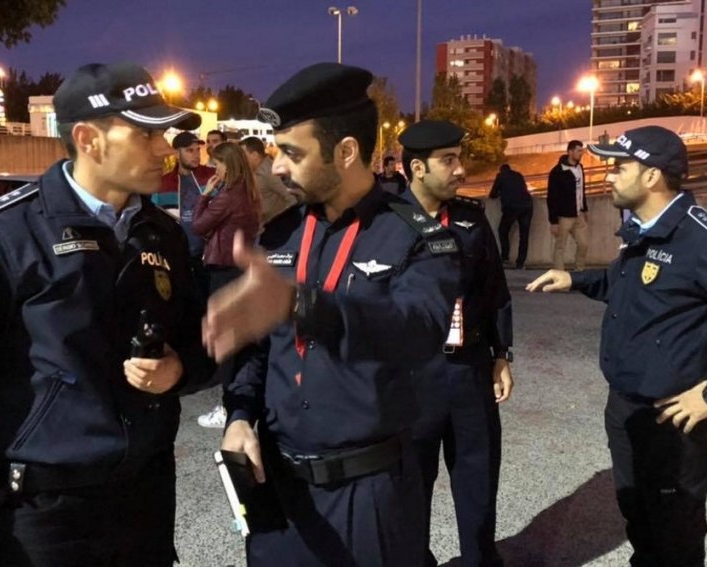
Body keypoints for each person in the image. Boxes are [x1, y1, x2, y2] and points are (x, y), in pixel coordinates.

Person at [0, 62, 215, 566]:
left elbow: (198, 338)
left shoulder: (161, 233)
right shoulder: (5, 234)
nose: (165, 148)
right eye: (145, 134)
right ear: (89, 139)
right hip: (44, 515)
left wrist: (182, 369)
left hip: (145, 503)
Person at [202, 62, 461, 565]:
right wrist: (238, 416)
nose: (276, 166)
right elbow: (259, 350)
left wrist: (304, 305)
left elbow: (416, 330)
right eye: (276, 150)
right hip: (278, 493)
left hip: (369, 497)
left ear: (346, 152)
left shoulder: (417, 238)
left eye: (292, 153)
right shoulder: (281, 235)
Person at [526, 126, 707, 567]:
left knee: (674, 535)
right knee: (640, 518)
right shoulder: (644, 228)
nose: (610, 176)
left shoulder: (703, 240)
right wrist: (576, 279)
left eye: (619, 166)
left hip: (669, 419)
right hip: (626, 406)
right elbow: (628, 284)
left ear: (652, 176)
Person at [399, 120, 514, 567]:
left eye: (458, 158)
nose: (460, 169)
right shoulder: (386, 223)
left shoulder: (470, 219)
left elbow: (495, 292)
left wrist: (502, 355)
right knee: (409, 488)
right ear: (417, 168)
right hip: (411, 380)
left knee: (478, 483)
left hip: (468, 371)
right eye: (448, 160)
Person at [192, 141, 262, 429]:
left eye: (217, 162)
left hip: (223, 270)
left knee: (226, 341)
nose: (214, 168)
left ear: (228, 164)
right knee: (238, 340)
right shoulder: (250, 192)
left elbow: (198, 226)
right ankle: (238, 403)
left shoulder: (228, 196)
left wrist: (204, 196)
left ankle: (227, 405)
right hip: (240, 268)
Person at [158, 131, 215, 296]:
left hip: (206, 257)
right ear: (177, 153)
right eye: (190, 150)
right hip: (176, 258)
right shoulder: (163, 183)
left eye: (198, 150)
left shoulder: (211, 176)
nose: (196, 155)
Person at [547, 140, 588, 271]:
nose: (581, 153)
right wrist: (553, 221)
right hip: (563, 217)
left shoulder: (580, 168)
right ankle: (559, 275)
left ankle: (579, 272)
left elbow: (582, 189)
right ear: (570, 152)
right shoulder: (557, 172)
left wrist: (585, 208)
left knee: (583, 244)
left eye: (581, 150)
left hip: (579, 215)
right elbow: (551, 197)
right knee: (560, 247)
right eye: (578, 150)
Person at [240, 135, 298, 225]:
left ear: (255, 155)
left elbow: (291, 199)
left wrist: (281, 222)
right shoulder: (254, 171)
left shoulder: (269, 173)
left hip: (272, 227)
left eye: (242, 155)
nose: (240, 159)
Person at [489, 163, 533, 268]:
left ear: (501, 170)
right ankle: (520, 263)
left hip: (512, 207)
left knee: (502, 230)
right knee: (524, 236)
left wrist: (501, 193)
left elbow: (492, 194)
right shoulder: (518, 175)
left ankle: (505, 257)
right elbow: (524, 189)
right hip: (527, 205)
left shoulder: (500, 176)